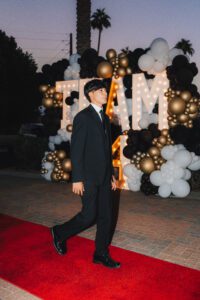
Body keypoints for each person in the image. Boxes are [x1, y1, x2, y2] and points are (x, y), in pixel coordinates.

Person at [51, 79, 120, 269]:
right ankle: (60, 233)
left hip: (105, 176)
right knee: (89, 216)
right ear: (91, 94)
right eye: (101, 91)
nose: (105, 93)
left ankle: (101, 254)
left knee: (106, 216)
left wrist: (112, 175)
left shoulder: (105, 118)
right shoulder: (83, 117)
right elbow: (77, 149)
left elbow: (106, 149)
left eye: (105, 91)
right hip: (88, 177)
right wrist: (78, 178)